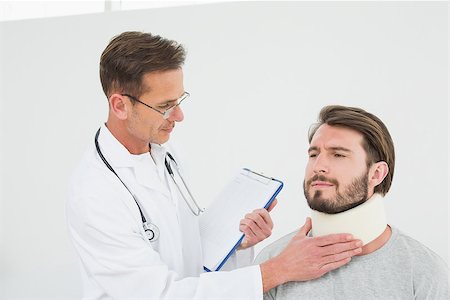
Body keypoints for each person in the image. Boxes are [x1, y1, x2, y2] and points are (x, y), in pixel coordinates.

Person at [66, 32, 363, 299]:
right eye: (164, 106)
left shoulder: (165, 153)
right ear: (120, 105)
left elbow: (187, 253)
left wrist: (236, 244)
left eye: (180, 99)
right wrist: (278, 270)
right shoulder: (96, 194)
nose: (179, 115)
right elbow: (160, 294)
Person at [255, 105, 450, 299]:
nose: (318, 166)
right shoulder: (274, 263)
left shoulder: (424, 272)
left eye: (338, 154)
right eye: (313, 155)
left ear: (376, 174)